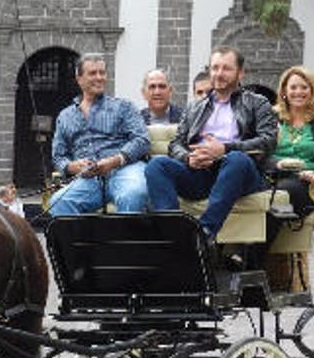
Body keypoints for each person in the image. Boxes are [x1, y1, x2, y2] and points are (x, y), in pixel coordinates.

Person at [145, 46, 278, 241]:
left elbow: (268, 142)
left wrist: (224, 149)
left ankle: (203, 234)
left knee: (236, 159)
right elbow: (176, 144)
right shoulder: (196, 107)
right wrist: (189, 158)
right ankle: (172, 235)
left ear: (240, 73)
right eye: (215, 68)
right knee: (156, 165)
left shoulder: (258, 103)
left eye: (226, 68)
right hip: (201, 173)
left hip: (240, 173)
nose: (219, 74)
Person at [48, 53, 151, 215]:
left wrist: (114, 161)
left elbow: (142, 140)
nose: (99, 77)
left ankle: (124, 240)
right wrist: (72, 167)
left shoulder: (124, 107)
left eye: (102, 72)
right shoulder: (65, 116)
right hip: (88, 180)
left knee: (133, 193)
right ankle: (82, 241)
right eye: (92, 73)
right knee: (57, 203)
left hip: (125, 170)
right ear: (79, 78)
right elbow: (58, 156)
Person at [263, 66, 314, 216]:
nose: (298, 92)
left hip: (308, 182)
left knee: (287, 190)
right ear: (284, 91)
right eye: (293, 87)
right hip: (271, 176)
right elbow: (260, 155)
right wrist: (279, 165)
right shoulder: (269, 117)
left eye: (304, 87)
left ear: (312, 91)